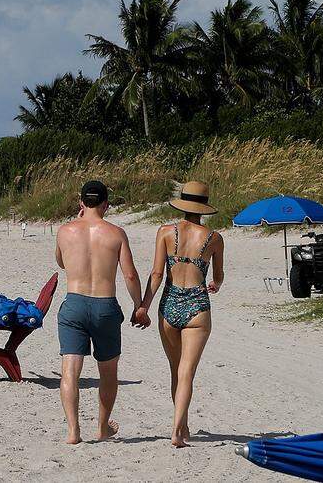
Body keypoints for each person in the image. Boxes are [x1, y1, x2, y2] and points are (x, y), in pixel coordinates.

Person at [55, 180, 148, 445]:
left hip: (74, 303)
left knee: (70, 372)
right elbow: (129, 274)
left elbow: (61, 261)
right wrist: (139, 305)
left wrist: (75, 224)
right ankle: (103, 426)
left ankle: (73, 431)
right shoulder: (116, 233)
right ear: (106, 204)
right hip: (105, 305)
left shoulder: (64, 231)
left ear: (81, 203)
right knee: (108, 372)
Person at [136, 181, 224, 448]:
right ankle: (179, 429)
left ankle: (181, 426)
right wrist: (215, 285)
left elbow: (156, 274)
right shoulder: (215, 238)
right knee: (187, 373)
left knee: (176, 371)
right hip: (198, 306)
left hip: (169, 304)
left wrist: (143, 307)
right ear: (204, 207)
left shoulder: (165, 232)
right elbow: (218, 277)